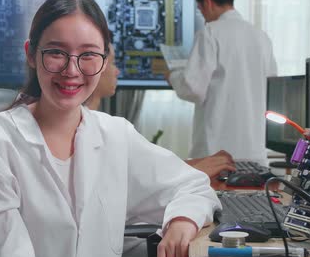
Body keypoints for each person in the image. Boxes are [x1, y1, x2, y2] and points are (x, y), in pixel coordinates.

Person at [0, 0, 221, 257]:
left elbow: (194, 187)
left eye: (89, 55)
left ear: (104, 61)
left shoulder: (116, 136)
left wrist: (181, 222)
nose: (72, 70)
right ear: (31, 53)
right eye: (56, 53)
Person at [85, 33, 236, 179]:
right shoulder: (91, 130)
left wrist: (201, 164)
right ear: (93, 70)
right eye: (112, 63)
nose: (117, 71)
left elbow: (149, 169)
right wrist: (196, 169)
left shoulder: (109, 127)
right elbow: (135, 180)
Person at [166, 0, 278, 165]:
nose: (202, 15)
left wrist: (173, 76)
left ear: (207, 2)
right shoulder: (261, 37)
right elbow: (272, 87)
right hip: (254, 152)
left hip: (216, 152)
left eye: (200, 9)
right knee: (250, 197)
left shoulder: (210, 33)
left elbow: (192, 88)